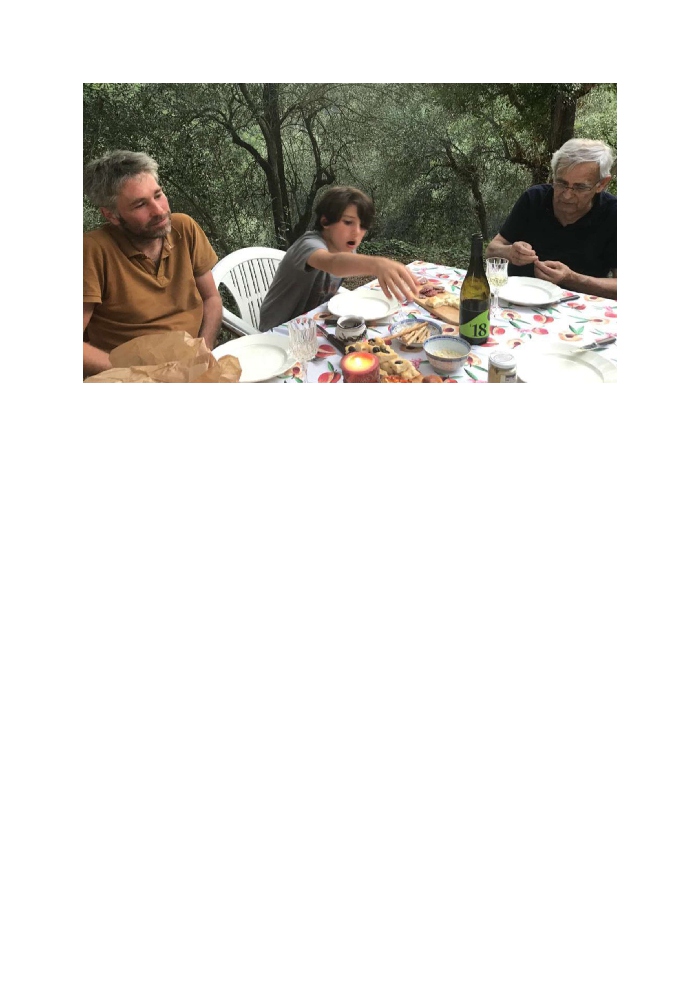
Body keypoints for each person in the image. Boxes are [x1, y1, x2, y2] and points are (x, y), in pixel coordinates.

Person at [83, 150, 222, 377]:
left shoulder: (184, 228)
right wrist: (141, 375)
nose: (159, 211)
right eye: (140, 205)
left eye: (158, 195)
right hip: (127, 378)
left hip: (192, 368)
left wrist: (204, 352)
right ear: (111, 215)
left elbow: (211, 298)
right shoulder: (92, 250)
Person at [258, 186, 420, 331]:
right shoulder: (308, 245)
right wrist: (377, 264)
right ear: (325, 221)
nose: (357, 232)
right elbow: (332, 263)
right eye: (348, 222)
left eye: (363, 226)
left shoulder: (346, 247)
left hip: (313, 325)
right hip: (278, 331)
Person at [486, 139, 617, 299]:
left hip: (580, 309)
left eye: (580, 187)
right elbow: (491, 250)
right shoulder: (534, 199)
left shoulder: (613, 214)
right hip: (516, 300)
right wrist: (510, 252)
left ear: (602, 184)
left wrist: (572, 279)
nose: (567, 195)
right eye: (561, 183)